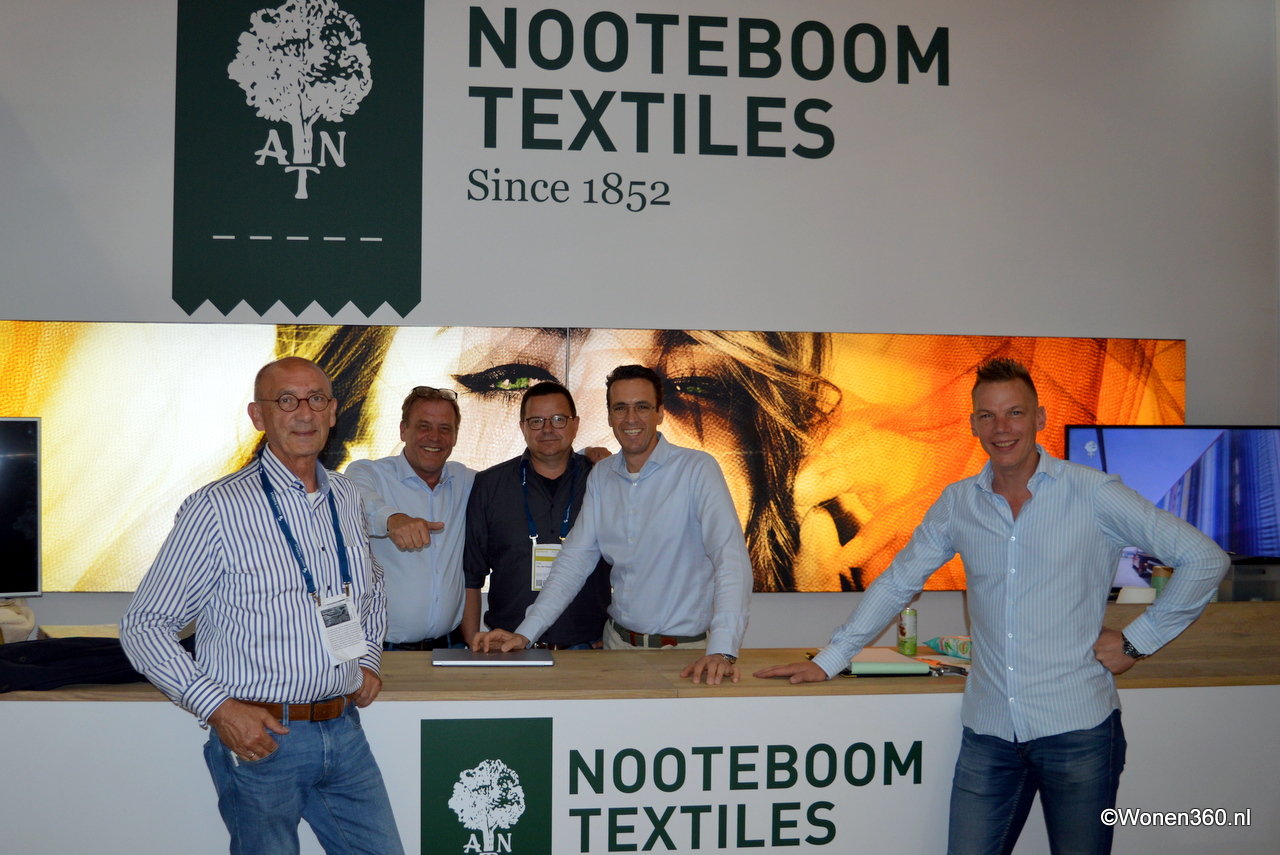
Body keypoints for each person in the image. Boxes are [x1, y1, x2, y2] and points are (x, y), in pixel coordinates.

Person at [756, 358, 1230, 855]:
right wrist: (831, 659)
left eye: (1014, 413)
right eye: (988, 415)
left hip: (1078, 732)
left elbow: (1204, 558)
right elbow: (897, 582)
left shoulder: (1093, 493)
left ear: (1039, 418)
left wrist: (1137, 641)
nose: (1002, 428)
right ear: (973, 424)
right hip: (990, 735)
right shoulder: (958, 502)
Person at [120, 356, 403, 855]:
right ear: (258, 415)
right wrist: (219, 709)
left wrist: (367, 660)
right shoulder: (217, 508)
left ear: (333, 411)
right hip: (262, 739)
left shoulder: (345, 496)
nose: (304, 413)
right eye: (286, 400)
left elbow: (369, 588)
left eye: (316, 399)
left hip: (344, 730)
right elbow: (144, 626)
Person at [474, 364, 753, 686]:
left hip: (685, 655)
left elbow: (731, 562)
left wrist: (723, 650)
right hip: (616, 648)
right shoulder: (602, 475)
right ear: (609, 416)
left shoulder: (697, 469)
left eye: (642, 407)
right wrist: (525, 634)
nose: (630, 419)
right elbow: (573, 562)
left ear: (660, 413)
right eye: (620, 408)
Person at [461, 381, 611, 648]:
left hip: (589, 648)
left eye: (558, 419)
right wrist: (472, 643)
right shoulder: (489, 485)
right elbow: (471, 576)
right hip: (507, 646)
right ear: (522, 427)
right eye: (536, 421)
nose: (547, 429)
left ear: (575, 424)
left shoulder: (602, 480)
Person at [345, 386, 475, 650]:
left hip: (450, 648)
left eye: (445, 428)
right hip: (383, 651)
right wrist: (393, 519)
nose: (434, 437)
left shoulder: (466, 480)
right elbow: (357, 502)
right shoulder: (369, 473)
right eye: (424, 426)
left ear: (455, 437)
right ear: (403, 430)